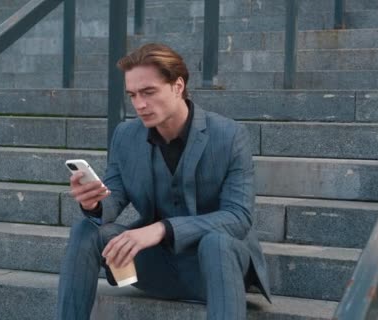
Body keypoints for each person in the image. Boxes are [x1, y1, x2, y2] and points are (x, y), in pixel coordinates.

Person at [57, 43, 271, 320]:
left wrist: (161, 229)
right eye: (132, 95)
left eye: (149, 92)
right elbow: (115, 196)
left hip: (215, 269)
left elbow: (238, 216)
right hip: (155, 267)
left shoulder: (229, 135)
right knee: (86, 230)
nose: (139, 104)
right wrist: (95, 204)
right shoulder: (125, 135)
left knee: (216, 242)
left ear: (178, 86)